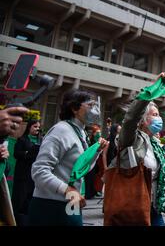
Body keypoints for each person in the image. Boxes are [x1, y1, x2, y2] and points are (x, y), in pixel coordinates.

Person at [108, 72, 165, 226]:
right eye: (155, 115)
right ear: (143, 120)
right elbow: (131, 118)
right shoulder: (131, 139)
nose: (159, 119)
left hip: (154, 209)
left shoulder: (156, 144)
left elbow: (153, 175)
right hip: (133, 208)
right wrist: (154, 89)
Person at [28, 90, 108, 226]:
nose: (95, 110)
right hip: (51, 204)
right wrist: (67, 190)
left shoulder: (80, 132)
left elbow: (80, 170)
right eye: (91, 105)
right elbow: (39, 171)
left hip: (71, 201)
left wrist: (97, 152)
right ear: (74, 108)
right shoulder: (61, 130)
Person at [11, 119, 41, 226]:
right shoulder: (22, 139)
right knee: (20, 197)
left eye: (38, 127)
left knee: (29, 198)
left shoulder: (40, 141)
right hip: (23, 174)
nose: (37, 129)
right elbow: (16, 154)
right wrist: (27, 153)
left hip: (33, 174)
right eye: (35, 126)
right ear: (29, 127)